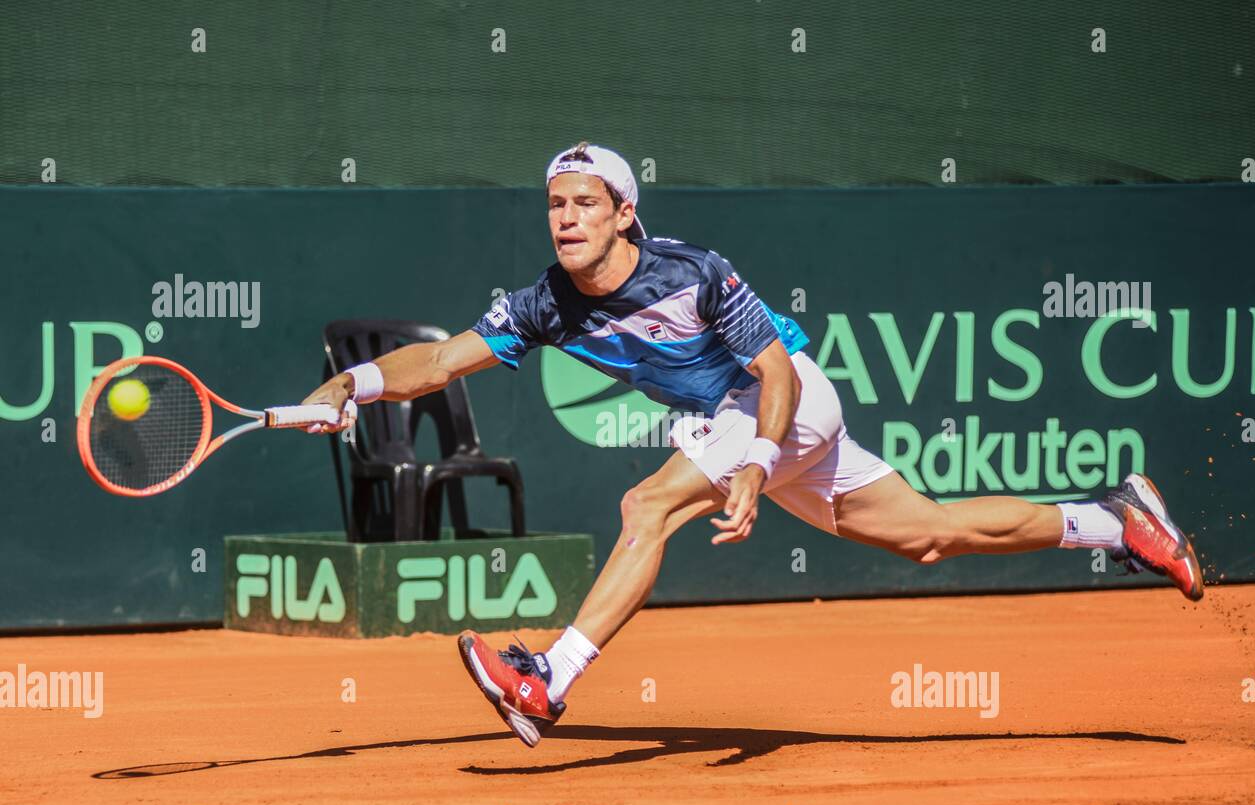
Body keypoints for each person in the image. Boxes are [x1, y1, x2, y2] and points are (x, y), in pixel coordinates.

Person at [300, 141, 1204, 748]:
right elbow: (444, 358)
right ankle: (1115, 521)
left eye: (585, 203)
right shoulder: (546, 300)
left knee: (645, 504)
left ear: (623, 212)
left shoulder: (692, 272)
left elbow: (774, 373)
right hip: (744, 430)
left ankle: (548, 677)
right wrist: (352, 384)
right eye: (553, 205)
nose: (565, 219)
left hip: (788, 405)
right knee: (927, 534)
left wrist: (760, 464)